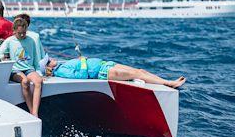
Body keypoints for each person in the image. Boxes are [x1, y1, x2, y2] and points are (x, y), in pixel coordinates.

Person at [0, 16, 46, 117]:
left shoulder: (31, 41)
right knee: (25, 81)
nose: (22, 35)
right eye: (20, 33)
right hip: (15, 70)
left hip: (29, 68)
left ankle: (35, 112)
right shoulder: (10, 41)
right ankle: (32, 111)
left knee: (38, 81)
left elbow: (36, 59)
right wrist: (4, 57)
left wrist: (39, 72)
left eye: (24, 32)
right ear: (14, 31)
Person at [42, 56, 186, 88]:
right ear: (48, 68)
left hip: (107, 64)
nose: (52, 59)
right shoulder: (61, 71)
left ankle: (166, 81)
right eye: (49, 60)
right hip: (103, 71)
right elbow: (81, 75)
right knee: (138, 74)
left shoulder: (62, 66)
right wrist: (84, 60)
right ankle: (170, 83)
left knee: (140, 70)